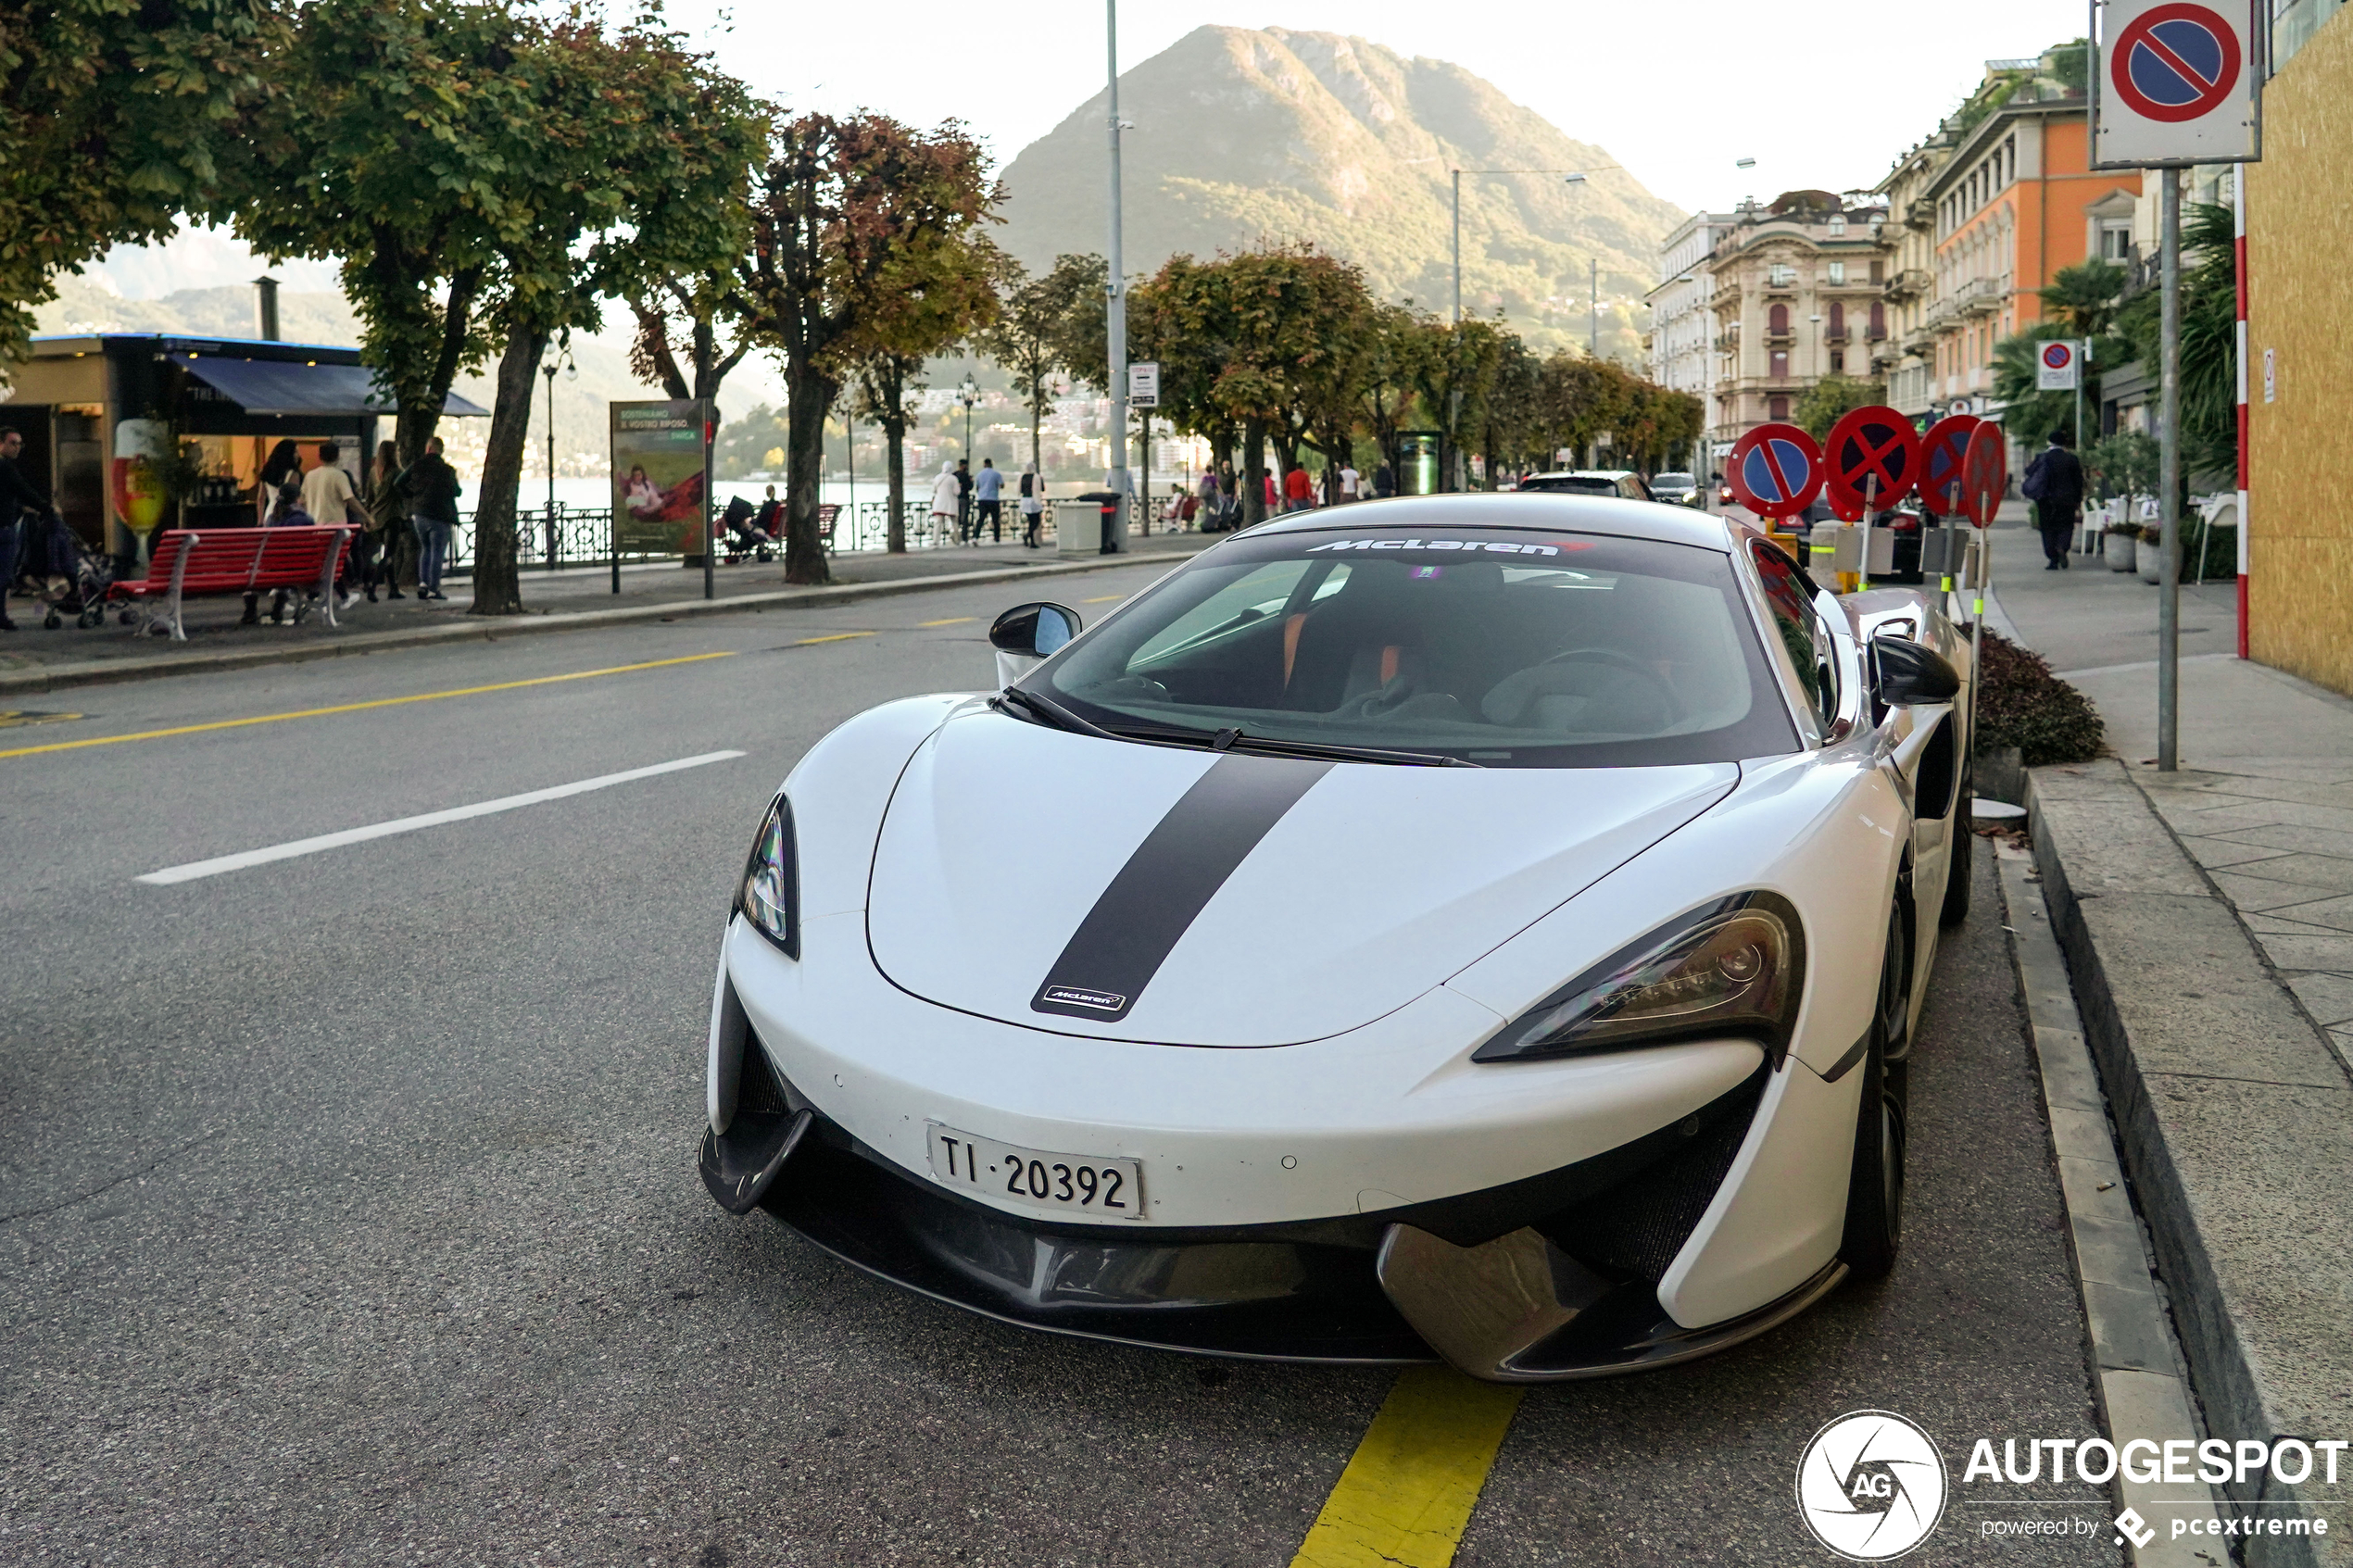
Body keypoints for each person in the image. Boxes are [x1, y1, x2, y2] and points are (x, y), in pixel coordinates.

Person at [0, 425, 65, 632]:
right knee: (3, 575)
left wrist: (21, 508)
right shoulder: (5, 467)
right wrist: (47, 508)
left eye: (20, 444)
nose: (17, 448)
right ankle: (0, 617)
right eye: (13, 443)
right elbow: (23, 489)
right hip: (3, 530)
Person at [398, 436, 462, 601]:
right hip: (441, 516)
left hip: (420, 515)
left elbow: (398, 483)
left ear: (428, 449)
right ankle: (434, 588)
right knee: (437, 552)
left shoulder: (416, 466)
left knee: (425, 549)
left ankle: (423, 584)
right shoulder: (447, 470)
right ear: (441, 450)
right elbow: (457, 491)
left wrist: (412, 496)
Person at [301, 442, 361, 608]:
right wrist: (367, 516)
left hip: (316, 525)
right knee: (334, 562)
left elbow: (302, 501)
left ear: (319, 457)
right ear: (337, 456)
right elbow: (350, 500)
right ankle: (344, 596)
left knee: (325, 562)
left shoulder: (309, 476)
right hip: (336, 526)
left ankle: (314, 592)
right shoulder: (339, 476)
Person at [2022, 428, 2086, 571]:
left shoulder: (2042, 458)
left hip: (2045, 500)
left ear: (2049, 441)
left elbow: (2029, 472)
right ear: (2065, 443)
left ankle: (2052, 558)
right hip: (2067, 499)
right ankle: (2062, 547)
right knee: (2066, 526)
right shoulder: (2071, 459)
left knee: (2047, 529)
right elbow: (2078, 482)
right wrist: (2078, 499)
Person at [368, 440, 409, 600]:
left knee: (386, 552)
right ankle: (373, 586)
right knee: (390, 554)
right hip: (393, 516)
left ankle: (393, 588)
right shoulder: (397, 472)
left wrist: (368, 517)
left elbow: (369, 496)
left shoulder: (373, 472)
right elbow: (404, 493)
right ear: (394, 453)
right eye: (397, 450)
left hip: (377, 518)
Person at [927, 460, 960, 548]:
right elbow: (957, 492)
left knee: (938, 523)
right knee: (954, 522)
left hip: (939, 503)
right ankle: (956, 540)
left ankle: (936, 541)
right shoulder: (953, 479)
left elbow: (933, 490)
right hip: (950, 503)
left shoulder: (937, 477)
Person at [971, 458, 1004, 544]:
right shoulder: (996, 474)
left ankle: (975, 537)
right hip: (993, 499)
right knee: (995, 520)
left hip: (982, 500)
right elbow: (1002, 485)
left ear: (984, 464)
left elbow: (977, 487)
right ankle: (997, 538)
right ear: (991, 464)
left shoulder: (979, 474)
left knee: (981, 519)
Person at [1019, 462, 1044, 548]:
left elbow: (1020, 490)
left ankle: (1031, 541)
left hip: (1024, 500)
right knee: (1036, 521)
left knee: (1031, 521)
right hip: (1034, 500)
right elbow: (1043, 489)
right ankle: (1027, 536)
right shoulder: (1037, 477)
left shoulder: (1022, 477)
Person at [953, 458, 975, 544]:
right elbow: (970, 487)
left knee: (956, 518)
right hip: (964, 498)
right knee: (964, 519)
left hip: (956, 499)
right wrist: (971, 481)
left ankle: (956, 536)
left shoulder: (954, 475)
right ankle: (963, 537)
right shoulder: (966, 476)